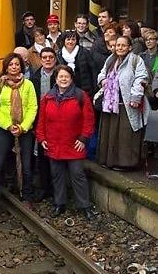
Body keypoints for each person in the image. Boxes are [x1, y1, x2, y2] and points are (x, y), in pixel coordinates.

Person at [35, 65, 95, 220]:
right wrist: (41, 138)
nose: (63, 79)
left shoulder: (81, 96)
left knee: (77, 174)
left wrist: (83, 138)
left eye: (66, 77)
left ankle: (85, 206)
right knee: (57, 175)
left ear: (71, 78)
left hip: (74, 143)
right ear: (55, 79)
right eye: (60, 76)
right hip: (54, 143)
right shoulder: (47, 97)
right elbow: (41, 121)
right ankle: (59, 203)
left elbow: (89, 120)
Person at [0, 53, 38, 207]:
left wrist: (22, 127)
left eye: (17, 64)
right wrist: (8, 125)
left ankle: (26, 194)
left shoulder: (28, 85)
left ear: (21, 66)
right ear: (6, 67)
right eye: (11, 64)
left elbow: (32, 107)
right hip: (3, 128)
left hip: (24, 129)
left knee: (26, 164)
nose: (14, 67)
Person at [97, 36, 151, 170]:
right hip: (110, 103)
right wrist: (103, 80)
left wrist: (135, 97)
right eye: (117, 45)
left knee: (126, 135)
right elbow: (102, 73)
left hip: (127, 104)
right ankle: (109, 161)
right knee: (109, 134)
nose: (119, 48)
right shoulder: (110, 59)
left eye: (123, 45)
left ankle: (127, 163)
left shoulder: (136, 60)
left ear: (129, 47)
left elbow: (141, 78)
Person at [30, 47, 58, 201]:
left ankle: (56, 190)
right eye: (44, 57)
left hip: (57, 121)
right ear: (40, 60)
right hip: (41, 122)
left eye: (50, 57)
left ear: (55, 58)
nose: (47, 60)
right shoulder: (34, 78)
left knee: (56, 158)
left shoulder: (60, 74)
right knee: (41, 156)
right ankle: (44, 187)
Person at [56, 30, 95, 96]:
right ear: (64, 41)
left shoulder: (85, 52)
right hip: (63, 89)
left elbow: (93, 70)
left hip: (83, 89)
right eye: (68, 39)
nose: (70, 42)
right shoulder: (59, 54)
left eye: (73, 39)